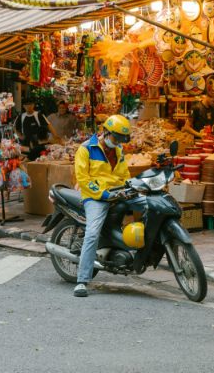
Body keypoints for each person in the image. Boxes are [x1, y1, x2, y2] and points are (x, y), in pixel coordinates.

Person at [72, 114, 132, 297]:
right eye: (116, 138)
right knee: (92, 233)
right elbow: (83, 178)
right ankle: (82, 280)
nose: (118, 142)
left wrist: (130, 187)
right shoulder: (86, 149)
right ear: (105, 132)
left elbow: (124, 174)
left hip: (117, 193)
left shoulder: (119, 151)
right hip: (95, 197)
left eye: (121, 139)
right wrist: (102, 194)